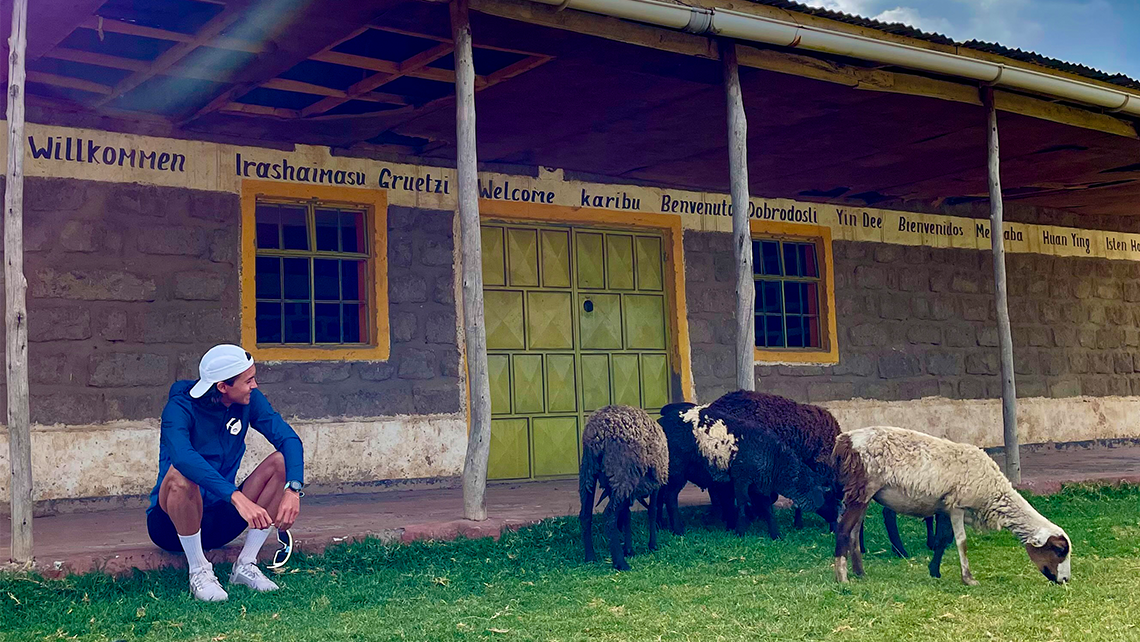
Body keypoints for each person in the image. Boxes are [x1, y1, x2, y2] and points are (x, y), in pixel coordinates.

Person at [146, 344, 305, 602]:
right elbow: (184, 458)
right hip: (170, 525)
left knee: (281, 462)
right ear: (222, 386)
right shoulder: (179, 407)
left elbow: (288, 438)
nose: (254, 385)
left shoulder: (249, 401)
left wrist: (293, 489)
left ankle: (246, 565)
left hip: (220, 520)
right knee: (181, 474)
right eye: (248, 380)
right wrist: (237, 498)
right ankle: (199, 570)